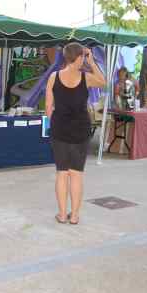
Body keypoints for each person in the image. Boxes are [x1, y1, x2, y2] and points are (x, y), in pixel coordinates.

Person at [45, 43, 105, 225]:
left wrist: (57, 124)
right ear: (79, 57)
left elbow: (48, 107)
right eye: (83, 57)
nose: (84, 60)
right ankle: (75, 216)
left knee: (62, 173)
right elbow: (103, 82)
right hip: (80, 130)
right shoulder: (86, 78)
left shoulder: (54, 77)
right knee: (76, 174)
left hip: (60, 130)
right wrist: (92, 63)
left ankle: (62, 214)